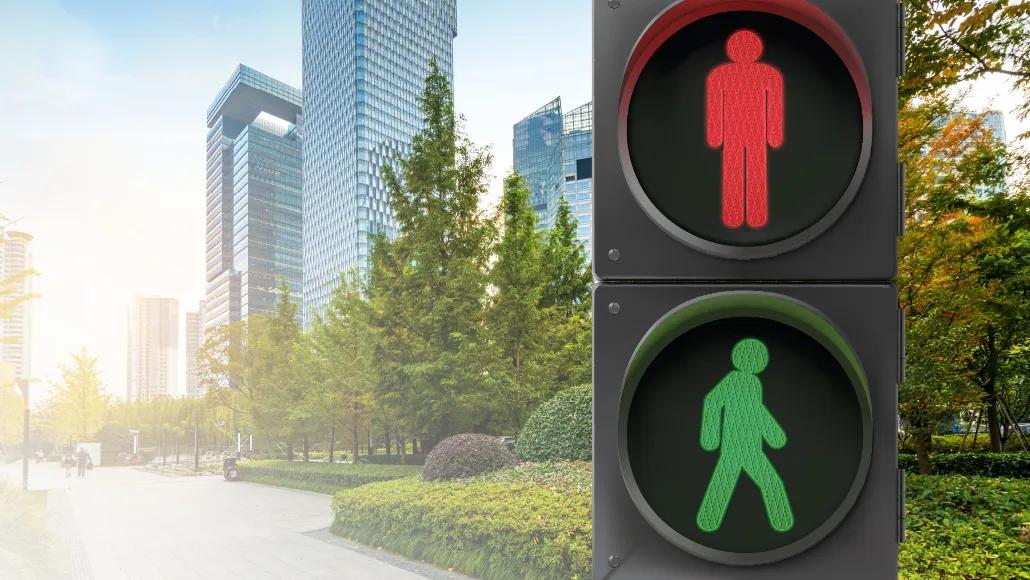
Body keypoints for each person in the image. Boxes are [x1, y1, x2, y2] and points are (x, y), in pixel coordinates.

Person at [697, 338, 794, 533]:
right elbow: (712, 401)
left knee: (731, 483)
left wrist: (773, 434)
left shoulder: (754, 383)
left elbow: (757, 410)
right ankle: (708, 523)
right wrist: (710, 436)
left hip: (750, 447)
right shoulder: (733, 380)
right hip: (735, 446)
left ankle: (710, 522)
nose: (758, 361)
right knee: (759, 482)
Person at [706, 29, 785, 230]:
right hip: (743, 131)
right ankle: (744, 216)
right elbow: (715, 106)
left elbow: (774, 105)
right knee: (743, 171)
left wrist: (715, 136)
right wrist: (774, 135)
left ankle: (747, 216)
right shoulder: (767, 73)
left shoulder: (721, 74)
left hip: (747, 131)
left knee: (746, 171)